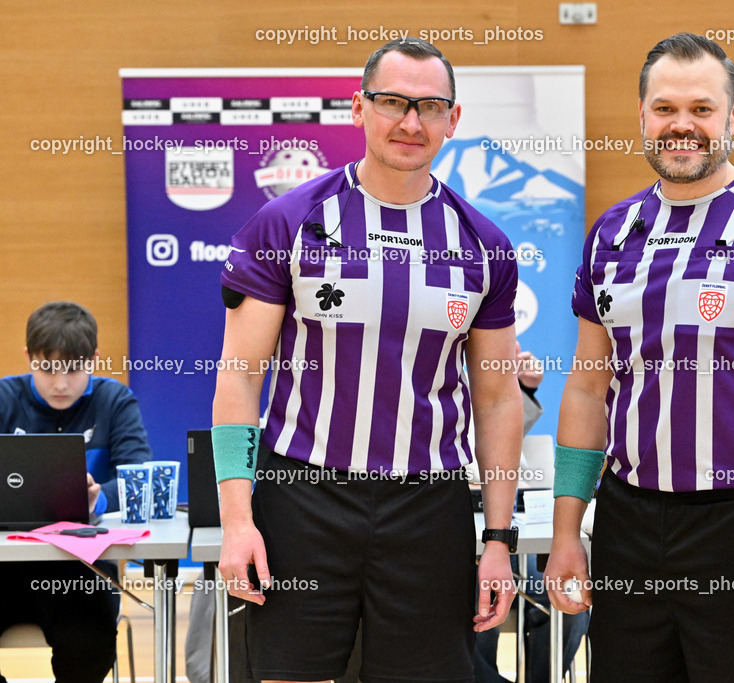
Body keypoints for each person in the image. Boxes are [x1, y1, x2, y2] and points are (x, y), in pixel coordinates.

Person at [212, 37, 523, 683]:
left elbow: (496, 399)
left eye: (430, 106)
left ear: (452, 120)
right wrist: (237, 521)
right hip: (302, 498)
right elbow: (239, 378)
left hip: (428, 504)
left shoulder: (483, 244)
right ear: (359, 109)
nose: (411, 122)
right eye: (392, 102)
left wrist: (498, 540)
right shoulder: (287, 223)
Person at [544, 33, 734, 681]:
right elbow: (585, 389)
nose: (681, 124)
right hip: (629, 520)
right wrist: (567, 531)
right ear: (642, 116)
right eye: (664, 108)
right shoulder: (613, 231)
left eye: (702, 109)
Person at [0, 301, 152, 683]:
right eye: (48, 368)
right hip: (3, 570)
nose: (61, 383)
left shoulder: (115, 400)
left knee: (89, 643)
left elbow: (139, 478)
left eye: (74, 368)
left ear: (95, 359)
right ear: (29, 357)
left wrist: (98, 499)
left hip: (80, 571)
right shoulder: (4, 397)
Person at [474, 345, 590, 683]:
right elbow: (475, 441)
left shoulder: (504, 390)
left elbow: (499, 434)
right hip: (459, 541)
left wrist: (521, 389)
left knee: (568, 598)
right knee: (480, 599)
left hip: (515, 541)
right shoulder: (441, 383)